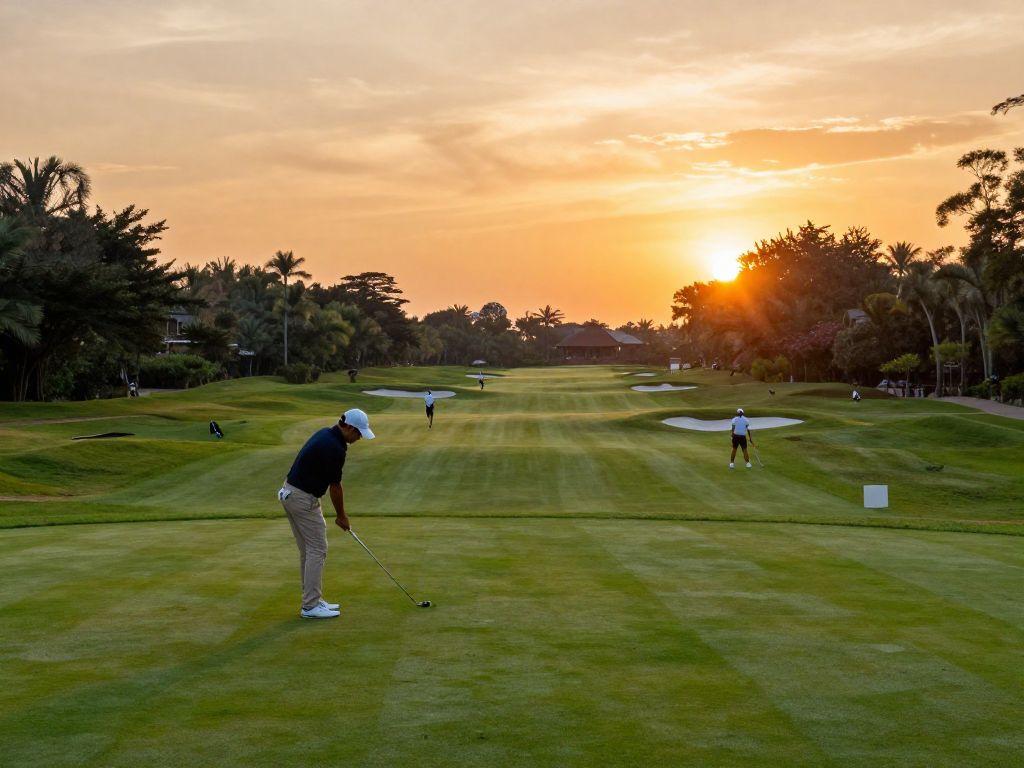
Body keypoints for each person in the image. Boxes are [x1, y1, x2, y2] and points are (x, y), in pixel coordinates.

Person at [277, 408, 375, 619]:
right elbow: (336, 486)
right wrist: (341, 516)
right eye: (358, 433)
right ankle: (310, 606)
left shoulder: (326, 434)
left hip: (290, 492)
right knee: (318, 549)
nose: (359, 438)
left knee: (308, 550)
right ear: (349, 427)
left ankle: (312, 600)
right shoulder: (335, 448)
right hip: (302, 499)